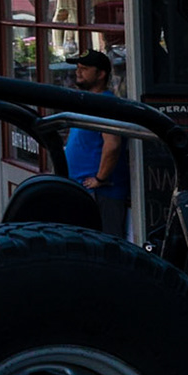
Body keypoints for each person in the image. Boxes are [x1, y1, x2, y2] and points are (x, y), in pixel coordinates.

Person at [63, 49, 131, 237]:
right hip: (81, 189)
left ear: (101, 74)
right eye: (77, 68)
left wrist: (100, 179)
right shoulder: (89, 102)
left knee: (105, 248)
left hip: (102, 193)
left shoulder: (106, 105)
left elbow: (113, 145)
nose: (78, 72)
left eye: (84, 68)